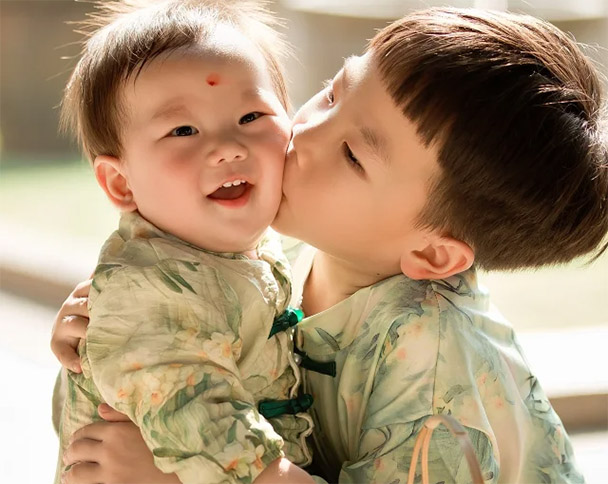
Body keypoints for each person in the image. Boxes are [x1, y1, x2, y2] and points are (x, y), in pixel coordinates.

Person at [52, 7, 608, 484]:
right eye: (333, 93)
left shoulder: (435, 366)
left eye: (352, 156)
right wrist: (108, 326)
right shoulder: (294, 252)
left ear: (434, 255)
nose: (304, 133)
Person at [51, 1, 316, 483]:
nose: (229, 146)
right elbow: (237, 464)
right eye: (183, 130)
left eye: (252, 116)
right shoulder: (150, 300)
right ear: (121, 185)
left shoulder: (247, 242)